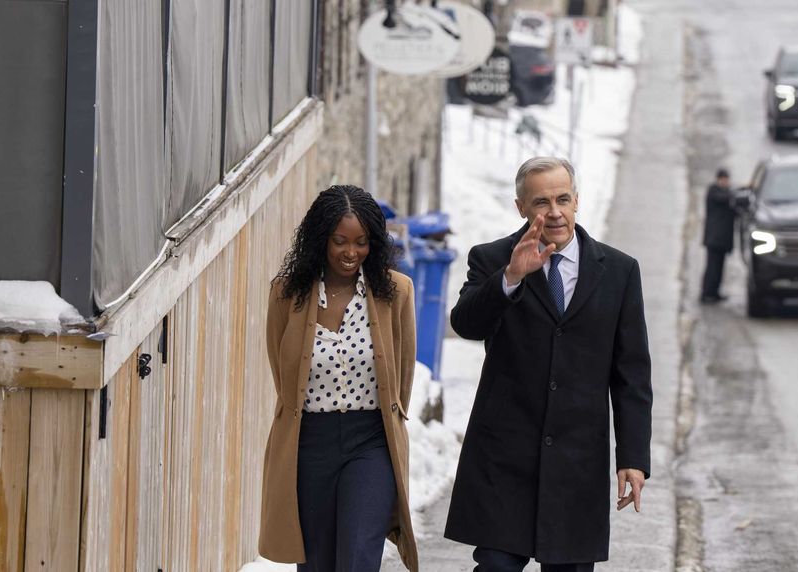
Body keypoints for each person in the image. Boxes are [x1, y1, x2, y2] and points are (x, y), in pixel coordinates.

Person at [444, 157, 653, 571]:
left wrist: (632, 456)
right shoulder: (492, 259)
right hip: (504, 459)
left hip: (577, 464)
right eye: (541, 202)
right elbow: (466, 323)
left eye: (562, 199)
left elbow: (631, 374)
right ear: (521, 207)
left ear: (577, 201)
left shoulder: (619, 271)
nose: (554, 212)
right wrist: (511, 278)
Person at [259, 185, 419, 571]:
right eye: (340, 241)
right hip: (310, 443)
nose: (351, 252)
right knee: (316, 563)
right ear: (321, 240)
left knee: (359, 557)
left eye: (362, 242)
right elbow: (284, 377)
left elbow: (403, 374)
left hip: (371, 443)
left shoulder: (396, 292)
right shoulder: (286, 293)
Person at [700, 168, 736, 303]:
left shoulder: (727, 193)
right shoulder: (714, 191)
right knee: (712, 268)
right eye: (724, 179)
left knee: (719, 268)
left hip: (723, 239)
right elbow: (723, 198)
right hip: (714, 238)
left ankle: (714, 293)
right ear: (719, 179)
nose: (726, 182)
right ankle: (706, 293)